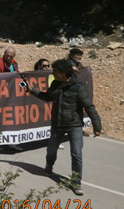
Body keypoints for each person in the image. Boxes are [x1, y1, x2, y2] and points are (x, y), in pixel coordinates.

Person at [26, 59, 102, 196]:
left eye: (55, 71)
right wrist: (31, 90)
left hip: (74, 125)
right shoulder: (55, 84)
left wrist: (97, 126)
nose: (53, 73)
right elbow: (47, 96)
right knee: (51, 149)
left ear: (63, 73)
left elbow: (89, 107)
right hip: (57, 124)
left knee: (76, 154)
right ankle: (49, 166)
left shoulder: (78, 87)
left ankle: (76, 182)